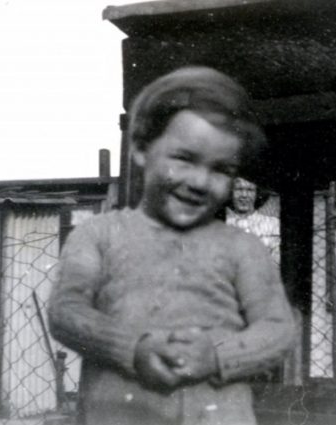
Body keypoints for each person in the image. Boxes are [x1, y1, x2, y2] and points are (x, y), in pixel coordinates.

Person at [48, 66, 295, 425]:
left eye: (221, 169)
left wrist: (217, 356)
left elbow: (278, 328)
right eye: (184, 159)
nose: (199, 181)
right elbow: (66, 311)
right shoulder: (98, 235)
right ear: (141, 149)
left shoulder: (243, 248)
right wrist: (133, 347)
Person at [226, 177, 281, 265]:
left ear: (257, 193)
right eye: (239, 189)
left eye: (250, 190)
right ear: (231, 193)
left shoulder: (273, 224)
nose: (244, 195)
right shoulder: (221, 225)